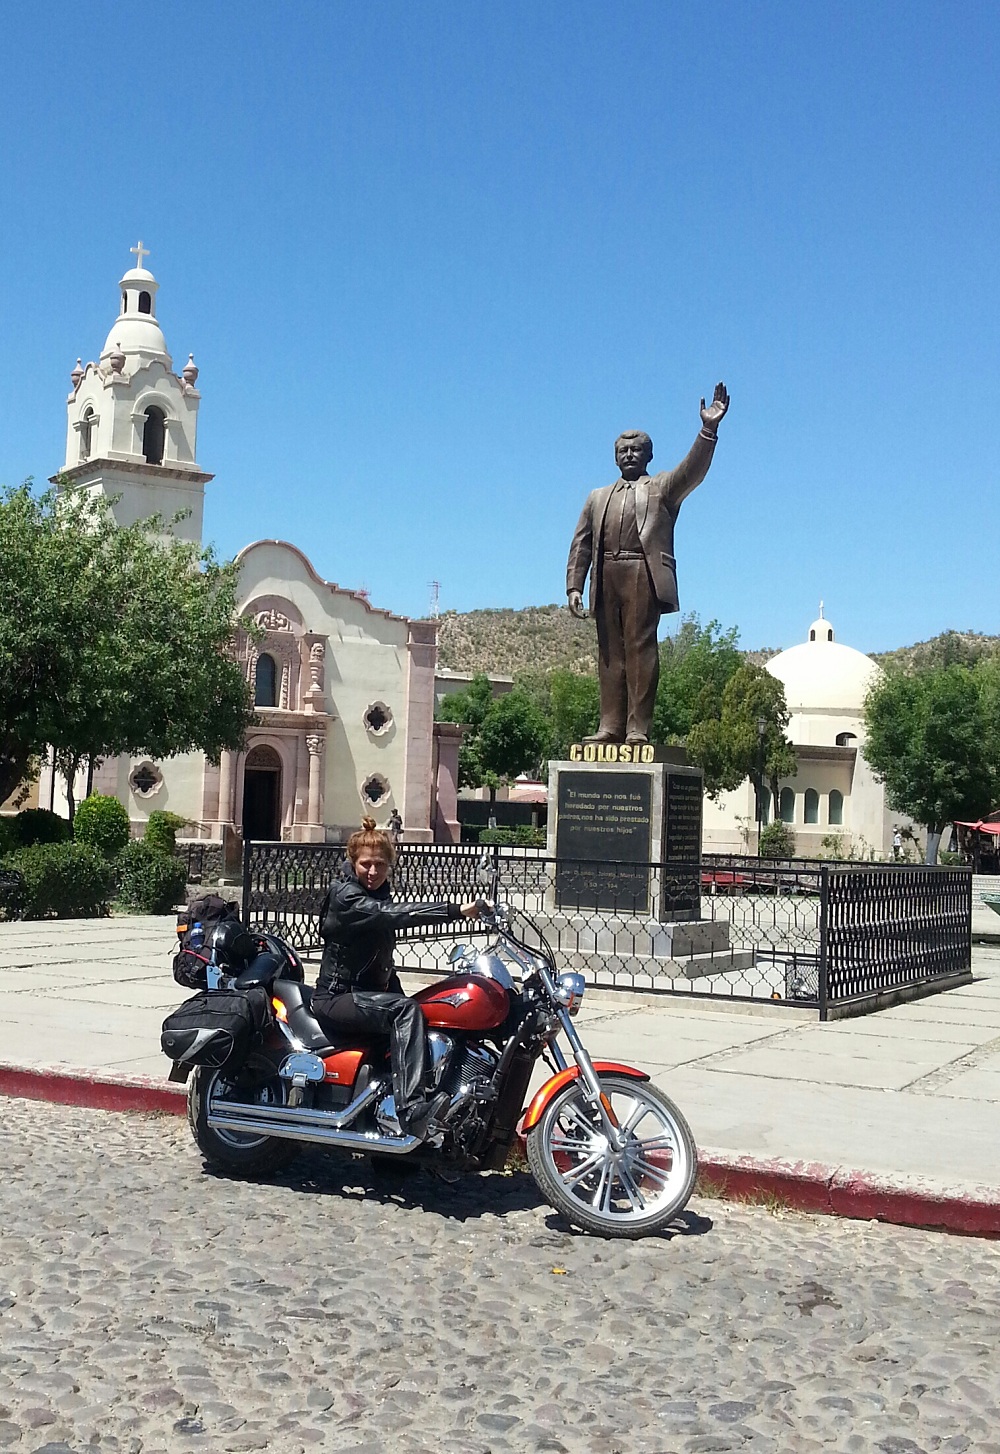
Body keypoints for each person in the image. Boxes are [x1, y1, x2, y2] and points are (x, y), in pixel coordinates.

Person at [566, 384, 730, 744]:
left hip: (641, 572)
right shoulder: (597, 497)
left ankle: (637, 728)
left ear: (648, 456)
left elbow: (691, 472)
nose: (628, 455)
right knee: (609, 653)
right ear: (615, 457)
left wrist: (708, 430)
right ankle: (610, 726)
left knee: (639, 649)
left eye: (635, 450)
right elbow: (582, 542)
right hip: (605, 574)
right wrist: (575, 586)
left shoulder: (660, 489)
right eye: (622, 450)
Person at [312, 817, 483, 1138]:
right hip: (337, 998)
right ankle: (411, 1109)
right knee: (406, 1011)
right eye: (365, 864)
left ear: (390, 865)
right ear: (352, 863)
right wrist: (455, 910)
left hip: (365, 994)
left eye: (379, 864)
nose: (373, 871)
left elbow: (383, 965)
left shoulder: (376, 894)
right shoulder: (347, 897)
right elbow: (391, 915)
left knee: (424, 1008)